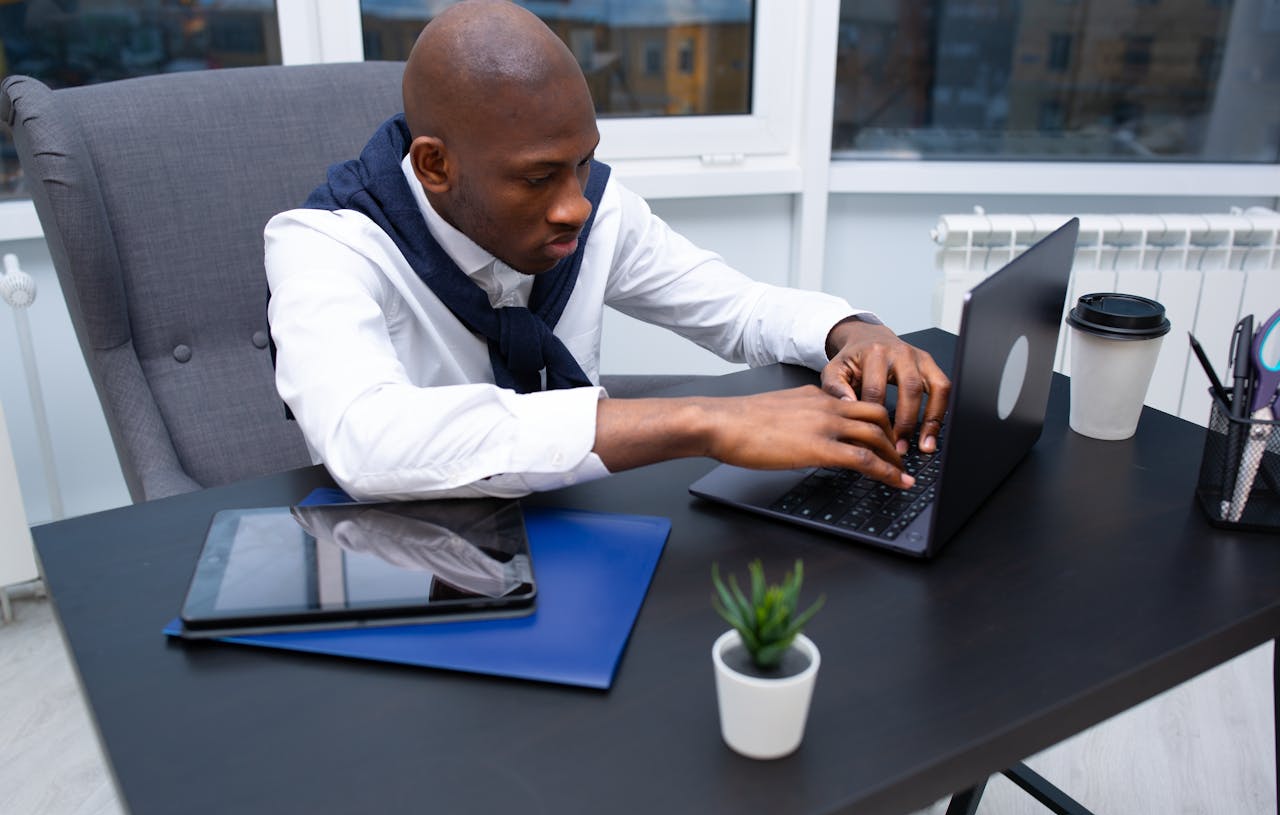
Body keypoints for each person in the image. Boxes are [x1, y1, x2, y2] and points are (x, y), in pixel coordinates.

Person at [265, 0, 949, 503]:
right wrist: (705, 419)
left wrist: (851, 330)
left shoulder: (596, 215)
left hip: (576, 527)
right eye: (537, 178)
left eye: (585, 164)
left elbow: (739, 309)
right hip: (411, 578)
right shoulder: (327, 248)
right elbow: (367, 437)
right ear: (436, 166)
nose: (575, 206)